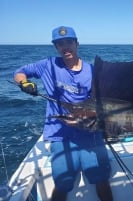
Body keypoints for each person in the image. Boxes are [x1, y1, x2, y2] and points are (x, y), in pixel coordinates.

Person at [13, 26, 113, 201]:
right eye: (60, 44)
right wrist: (24, 83)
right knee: (63, 184)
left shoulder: (91, 71)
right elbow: (19, 73)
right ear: (56, 47)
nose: (65, 47)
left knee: (101, 180)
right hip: (60, 135)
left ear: (77, 43)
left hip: (89, 133)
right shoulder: (47, 65)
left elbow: (99, 104)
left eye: (69, 42)